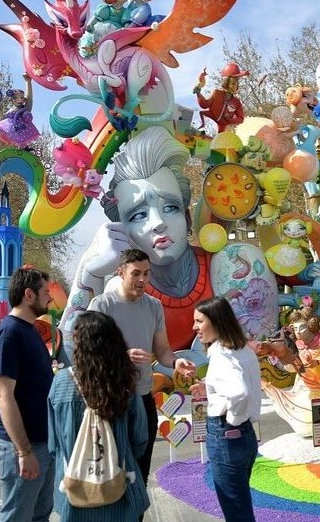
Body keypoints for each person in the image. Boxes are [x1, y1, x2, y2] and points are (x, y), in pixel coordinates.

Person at [60, 125, 277, 353]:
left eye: (171, 207)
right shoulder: (118, 289)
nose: (158, 222)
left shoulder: (236, 264)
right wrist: (90, 274)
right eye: (138, 215)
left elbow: (257, 354)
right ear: (122, 230)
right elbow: (75, 363)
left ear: (186, 216)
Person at [87, 248, 196, 487]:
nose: (142, 280)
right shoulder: (101, 305)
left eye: (146, 274)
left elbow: (163, 350)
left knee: (140, 473)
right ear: (121, 273)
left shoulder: (154, 306)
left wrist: (176, 362)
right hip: (111, 399)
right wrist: (121, 356)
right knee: (113, 474)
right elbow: (88, 353)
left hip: (144, 398)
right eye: (136, 273)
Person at [48, 311, 149, 521]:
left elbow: (53, 444)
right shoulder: (124, 384)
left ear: (78, 342)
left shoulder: (61, 384)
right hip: (120, 488)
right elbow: (139, 441)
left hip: (74, 491)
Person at [0, 266, 55, 522]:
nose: (49, 297)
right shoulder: (10, 333)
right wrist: (24, 452)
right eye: (45, 292)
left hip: (42, 444)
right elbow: (3, 395)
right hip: (22, 448)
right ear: (29, 294)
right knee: (17, 517)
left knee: (40, 516)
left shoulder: (29, 330)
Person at [190, 296, 261, 522]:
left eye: (200, 321)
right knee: (240, 503)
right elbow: (241, 388)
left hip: (227, 434)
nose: (195, 327)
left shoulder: (221, 354)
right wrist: (210, 389)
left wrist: (233, 418)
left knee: (236, 511)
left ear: (216, 321)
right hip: (244, 436)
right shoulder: (243, 350)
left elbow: (239, 393)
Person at [194, 62, 248, 133]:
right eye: (232, 83)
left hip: (223, 125)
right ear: (226, 83)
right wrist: (198, 93)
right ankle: (202, 125)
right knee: (202, 113)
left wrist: (229, 120)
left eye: (236, 84)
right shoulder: (217, 93)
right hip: (212, 117)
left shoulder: (236, 102)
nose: (234, 86)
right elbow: (204, 104)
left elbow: (241, 119)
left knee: (220, 137)